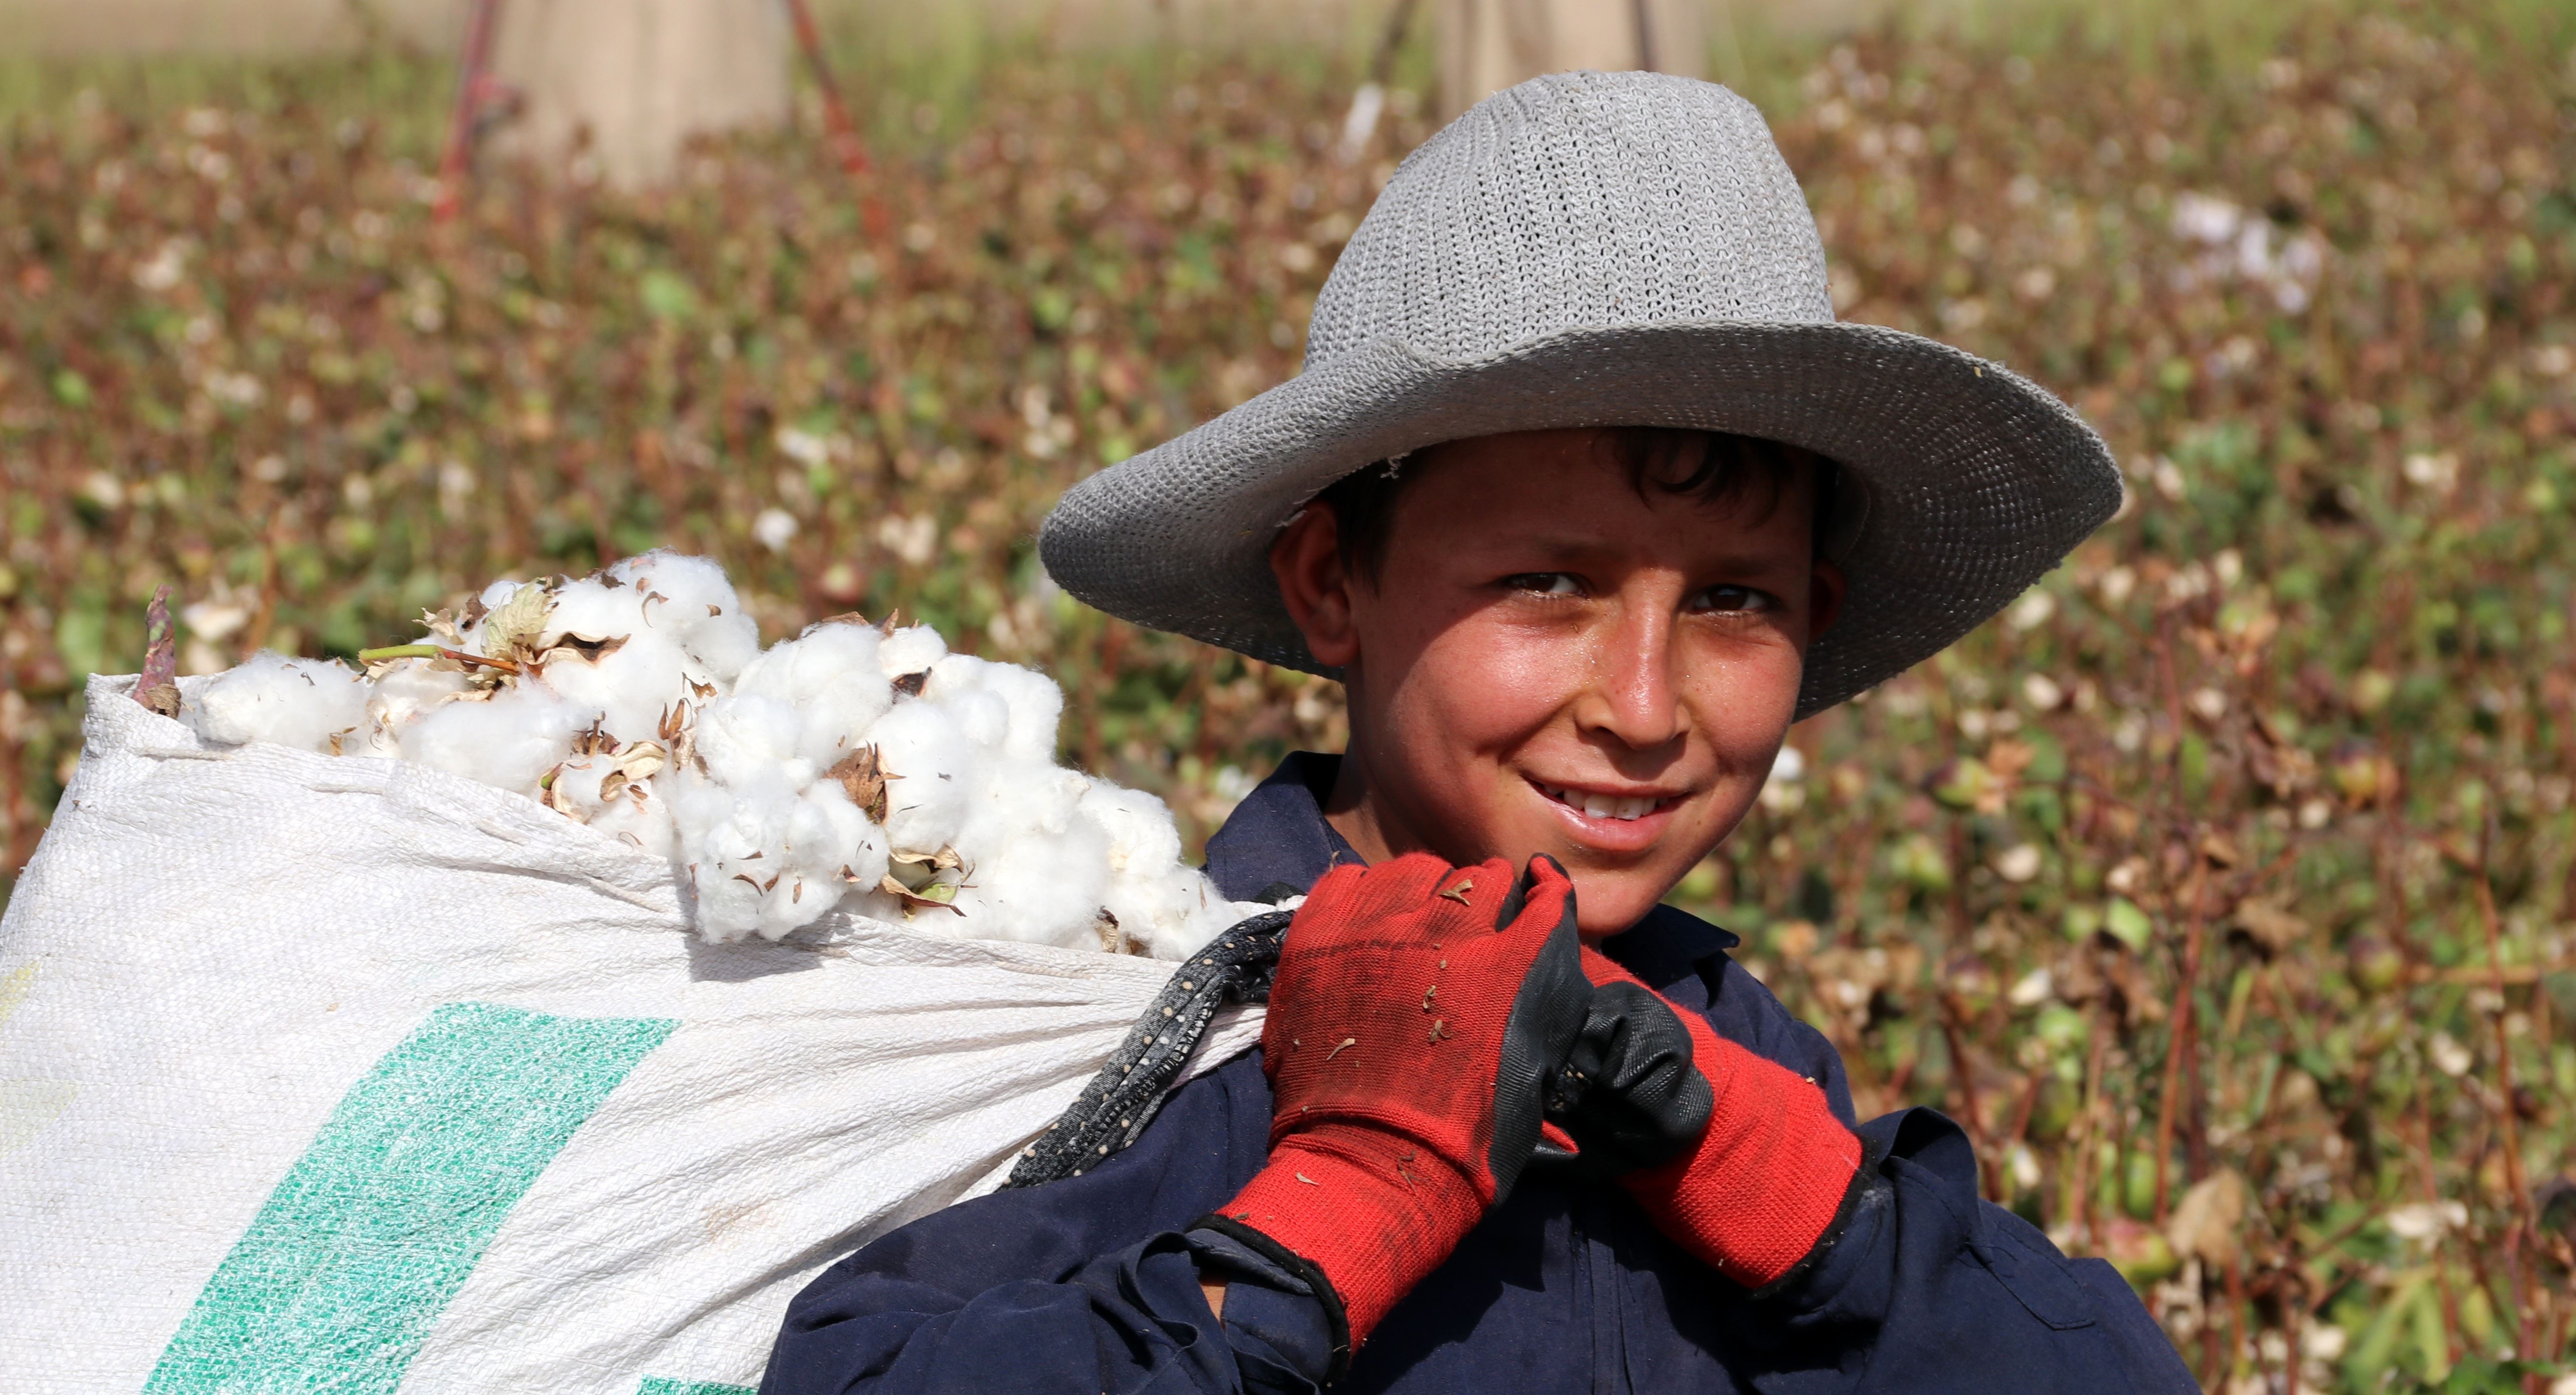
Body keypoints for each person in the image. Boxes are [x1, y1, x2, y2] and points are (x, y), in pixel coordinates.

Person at [761, 70, 2195, 1394]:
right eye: (1549, 584)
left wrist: (1808, 1207)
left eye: (1734, 602)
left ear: (1814, 617)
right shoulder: (1169, 1033)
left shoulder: (1740, 1063)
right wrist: (1324, 1220)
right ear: (1332, 582)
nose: (1642, 707)